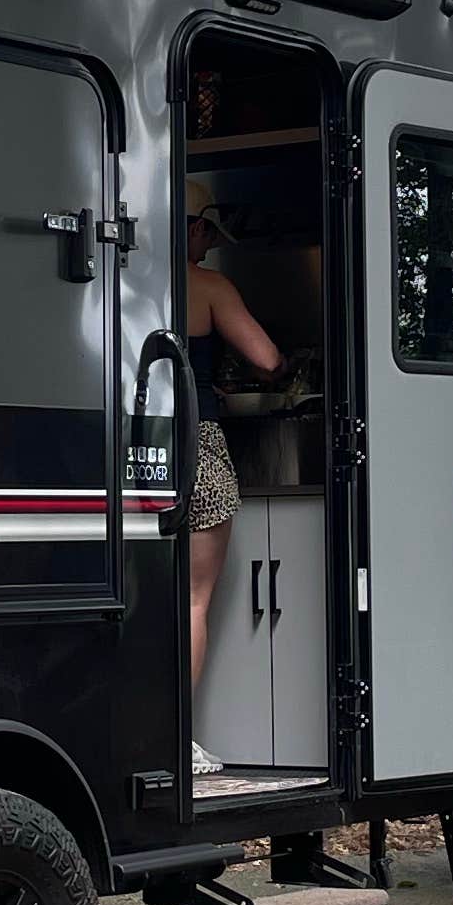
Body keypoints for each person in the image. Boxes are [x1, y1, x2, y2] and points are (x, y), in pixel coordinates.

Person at [185, 193, 281, 687]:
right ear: (195, 228)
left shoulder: (119, 280)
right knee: (192, 600)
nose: (208, 248)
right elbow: (266, 358)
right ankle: (177, 727)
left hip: (125, 450)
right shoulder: (208, 285)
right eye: (208, 235)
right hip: (194, 444)